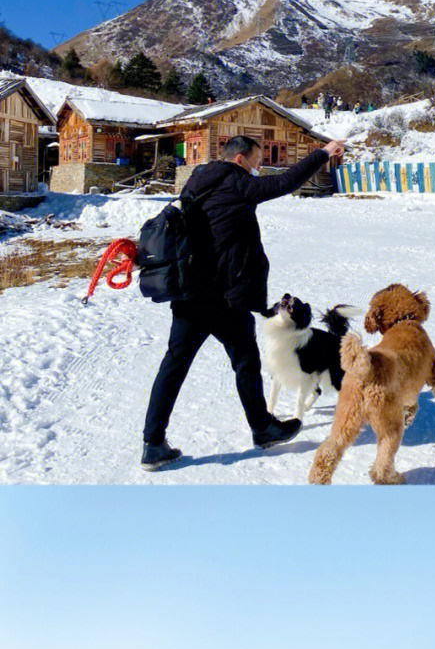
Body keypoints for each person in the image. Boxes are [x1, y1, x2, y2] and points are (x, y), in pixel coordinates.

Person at [141, 132, 346, 468]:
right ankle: (262, 428)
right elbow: (284, 183)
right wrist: (323, 153)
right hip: (221, 297)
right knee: (246, 360)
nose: (259, 165)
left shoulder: (197, 180)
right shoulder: (235, 182)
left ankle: (152, 443)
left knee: (174, 364)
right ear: (240, 159)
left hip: (189, 293)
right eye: (256, 158)